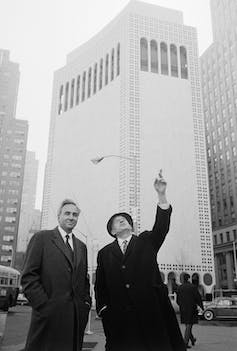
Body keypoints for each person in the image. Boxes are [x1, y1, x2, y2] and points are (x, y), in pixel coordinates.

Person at [95, 171, 186, 351]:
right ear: (112, 231)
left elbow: (161, 226)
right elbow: (100, 285)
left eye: (125, 220)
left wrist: (161, 194)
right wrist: (103, 309)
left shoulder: (146, 241)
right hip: (120, 321)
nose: (122, 221)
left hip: (151, 315)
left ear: (132, 226)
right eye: (117, 221)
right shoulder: (105, 253)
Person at [21, 199, 91, 351]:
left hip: (74, 320)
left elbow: (84, 280)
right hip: (48, 318)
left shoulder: (82, 246)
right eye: (67, 213)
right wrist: (44, 307)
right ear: (58, 216)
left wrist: (85, 304)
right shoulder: (42, 238)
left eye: (75, 214)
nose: (71, 217)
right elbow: (28, 277)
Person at [177, 273, 204, 349]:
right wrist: (201, 306)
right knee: (189, 325)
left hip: (183, 309)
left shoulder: (180, 287)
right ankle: (185, 343)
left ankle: (192, 339)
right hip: (191, 309)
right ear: (188, 279)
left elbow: (177, 300)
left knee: (187, 325)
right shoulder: (192, 287)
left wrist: (182, 306)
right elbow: (198, 297)